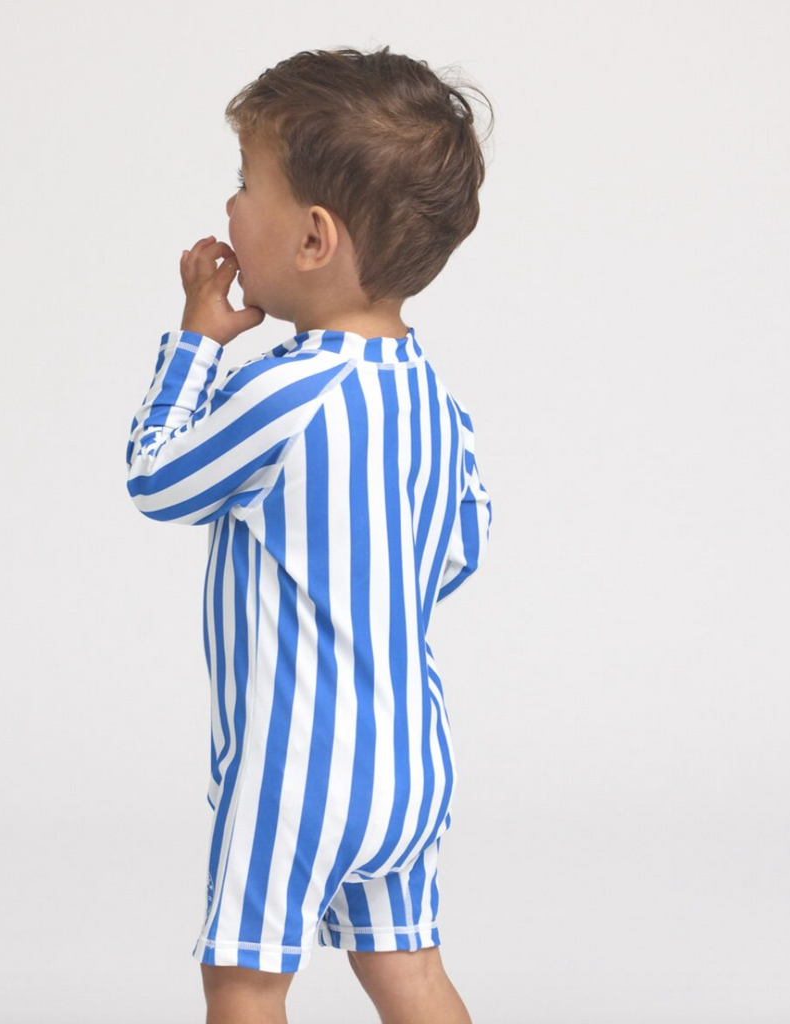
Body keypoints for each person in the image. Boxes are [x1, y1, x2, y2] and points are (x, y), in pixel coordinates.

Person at [125, 44, 493, 1024]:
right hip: (409, 750)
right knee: (408, 968)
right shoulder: (434, 400)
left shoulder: (283, 392)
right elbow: (463, 542)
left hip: (298, 766)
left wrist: (196, 344)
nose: (231, 205)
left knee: (244, 978)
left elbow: (158, 480)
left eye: (248, 184)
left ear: (314, 238)